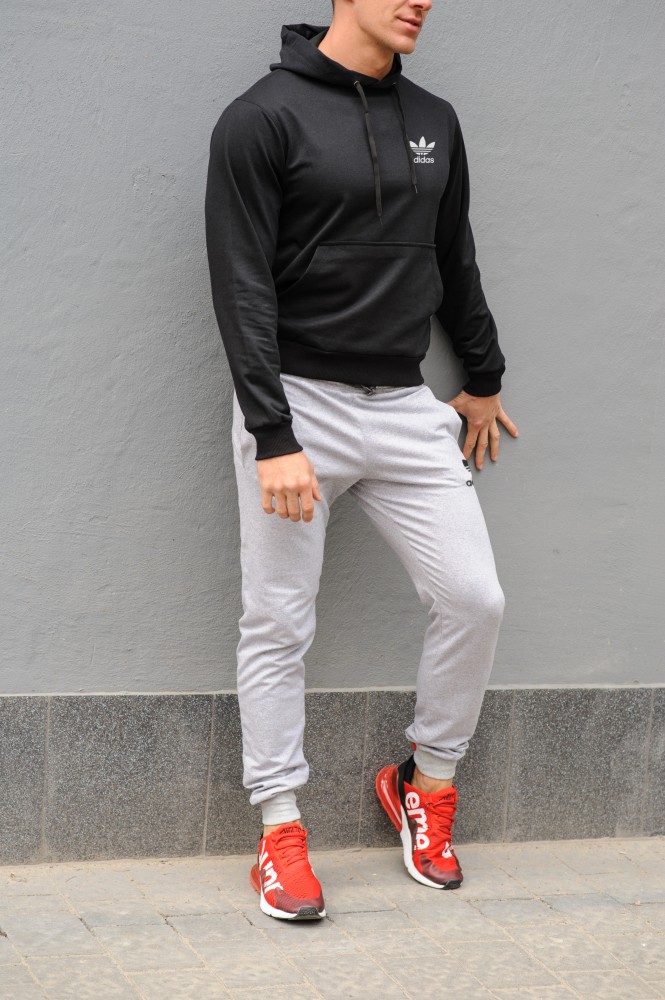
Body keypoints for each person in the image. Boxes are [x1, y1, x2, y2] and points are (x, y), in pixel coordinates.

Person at [204, 0, 519, 922]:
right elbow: (239, 282)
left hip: (404, 403)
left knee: (475, 599)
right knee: (277, 620)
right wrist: (273, 434)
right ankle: (279, 829)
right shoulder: (260, 118)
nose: (420, 1)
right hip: (297, 401)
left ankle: (425, 782)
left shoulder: (434, 120)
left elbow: (452, 255)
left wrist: (483, 376)